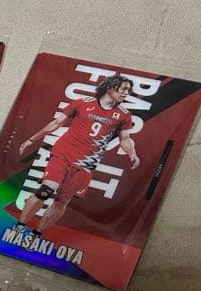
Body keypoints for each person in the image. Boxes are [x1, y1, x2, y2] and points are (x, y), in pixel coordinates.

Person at [14, 74, 139, 237]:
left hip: (86, 163)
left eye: (129, 90)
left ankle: (35, 235)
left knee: (62, 201)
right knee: (45, 190)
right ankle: (18, 227)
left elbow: (125, 138)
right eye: (123, 89)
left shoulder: (123, 115)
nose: (126, 93)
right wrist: (31, 139)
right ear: (109, 87)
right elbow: (57, 123)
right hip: (63, 153)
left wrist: (132, 154)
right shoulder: (83, 103)